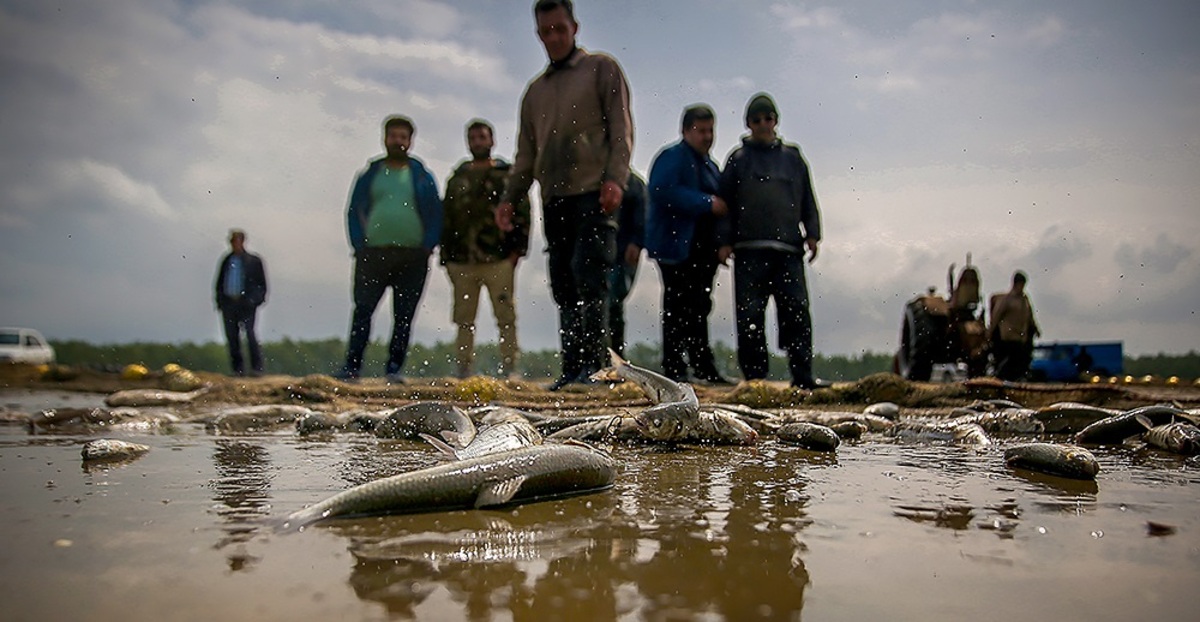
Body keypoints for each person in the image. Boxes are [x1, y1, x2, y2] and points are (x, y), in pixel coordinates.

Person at [496, 0, 634, 391]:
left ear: (574, 27)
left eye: (560, 29)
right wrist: (509, 198)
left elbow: (621, 130)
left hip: (595, 193)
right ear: (538, 34)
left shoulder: (601, 69)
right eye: (546, 31)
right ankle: (572, 369)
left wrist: (615, 180)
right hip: (554, 199)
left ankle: (597, 369)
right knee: (564, 285)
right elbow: (526, 154)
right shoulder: (535, 92)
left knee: (591, 280)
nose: (554, 37)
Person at [717, 93, 822, 389]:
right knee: (749, 316)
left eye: (768, 118)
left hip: (789, 249)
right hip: (749, 251)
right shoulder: (737, 160)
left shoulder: (793, 158)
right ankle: (754, 380)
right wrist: (723, 242)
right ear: (748, 124)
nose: (763, 124)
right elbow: (724, 205)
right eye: (756, 120)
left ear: (776, 121)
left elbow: (807, 198)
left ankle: (803, 377)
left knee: (797, 313)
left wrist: (813, 233)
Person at [337, 115, 443, 383]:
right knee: (363, 311)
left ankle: (394, 370)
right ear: (385, 138)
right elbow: (354, 210)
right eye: (393, 135)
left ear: (410, 141)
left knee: (404, 316)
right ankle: (352, 367)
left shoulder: (422, 176)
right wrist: (359, 245)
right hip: (373, 254)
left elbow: (435, 213)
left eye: (403, 137)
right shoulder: (370, 174)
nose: (398, 141)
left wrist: (427, 246)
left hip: (413, 256)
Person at [646, 104, 733, 384]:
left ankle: (704, 368)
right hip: (676, 247)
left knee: (699, 306)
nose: (707, 136)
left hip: (702, 249)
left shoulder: (710, 166)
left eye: (711, 130)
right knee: (677, 307)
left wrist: (722, 242)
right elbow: (661, 190)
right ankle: (674, 369)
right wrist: (705, 202)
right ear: (685, 131)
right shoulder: (673, 157)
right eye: (701, 130)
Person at [441, 119, 531, 379]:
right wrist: (446, 257)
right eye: (473, 138)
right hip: (462, 260)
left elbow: (522, 212)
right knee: (463, 319)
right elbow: (447, 217)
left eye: (482, 137)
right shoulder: (457, 178)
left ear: (491, 140)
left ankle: (510, 368)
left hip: (499, 258)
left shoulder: (507, 176)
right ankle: (463, 369)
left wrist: (518, 251)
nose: (478, 142)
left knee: (505, 316)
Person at [214, 229, 268, 376]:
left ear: (243, 241)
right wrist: (220, 301)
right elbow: (219, 283)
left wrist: (255, 300)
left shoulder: (253, 261)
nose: (234, 244)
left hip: (247, 304)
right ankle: (238, 369)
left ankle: (256, 369)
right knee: (232, 337)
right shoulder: (226, 260)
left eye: (236, 241)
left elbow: (261, 284)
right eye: (232, 241)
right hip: (229, 303)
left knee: (250, 334)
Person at [607, 171, 646, 358]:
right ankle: (597, 359)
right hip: (600, 252)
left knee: (613, 304)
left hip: (621, 254)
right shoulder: (591, 179)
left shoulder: (633, 184)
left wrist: (637, 242)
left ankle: (614, 357)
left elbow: (642, 215)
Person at [989, 270, 1040, 381]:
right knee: (1009, 361)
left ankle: (1016, 381)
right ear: (1016, 284)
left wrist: (1036, 329)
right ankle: (1000, 380)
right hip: (1008, 337)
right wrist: (990, 332)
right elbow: (996, 317)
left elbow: (1030, 316)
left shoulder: (1024, 299)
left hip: (1021, 337)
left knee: (1022, 361)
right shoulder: (1007, 300)